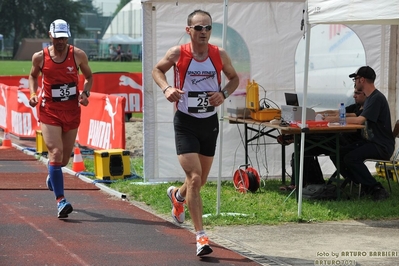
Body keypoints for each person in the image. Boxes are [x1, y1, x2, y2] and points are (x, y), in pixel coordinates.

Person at [152, 9, 239, 256]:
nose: (204, 32)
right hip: (186, 121)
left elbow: (233, 79)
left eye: (208, 28)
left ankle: (178, 197)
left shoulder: (218, 54)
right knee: (195, 178)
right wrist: (166, 87)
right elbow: (157, 70)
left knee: (197, 183)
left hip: (209, 122)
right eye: (199, 28)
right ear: (188, 30)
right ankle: (201, 237)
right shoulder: (178, 53)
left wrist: (223, 94)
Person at [28, 19, 93, 218]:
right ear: (51, 36)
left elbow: (89, 77)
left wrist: (85, 94)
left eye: (64, 38)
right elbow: (33, 76)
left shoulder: (78, 55)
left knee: (63, 159)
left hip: (72, 110)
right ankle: (60, 201)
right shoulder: (40, 57)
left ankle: (53, 176)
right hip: (50, 111)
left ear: (68, 36)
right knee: (55, 152)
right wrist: (33, 94)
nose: (60, 42)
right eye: (57, 38)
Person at [325, 66, 394, 201]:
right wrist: (327, 115)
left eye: (355, 79)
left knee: (351, 157)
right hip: (371, 142)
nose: (355, 83)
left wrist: (333, 119)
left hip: (381, 145)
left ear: (362, 80)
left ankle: (375, 188)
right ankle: (360, 183)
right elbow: (354, 114)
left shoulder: (376, 98)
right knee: (337, 152)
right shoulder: (370, 98)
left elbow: (359, 120)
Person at [280, 87, 367, 191]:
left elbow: (352, 117)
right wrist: (316, 114)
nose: (354, 96)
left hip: (347, 143)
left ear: (366, 94)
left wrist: (334, 117)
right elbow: (334, 111)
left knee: (318, 139)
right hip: (338, 139)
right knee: (304, 149)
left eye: (358, 93)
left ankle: (294, 138)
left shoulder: (365, 111)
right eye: (354, 93)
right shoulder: (356, 106)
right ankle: (298, 184)